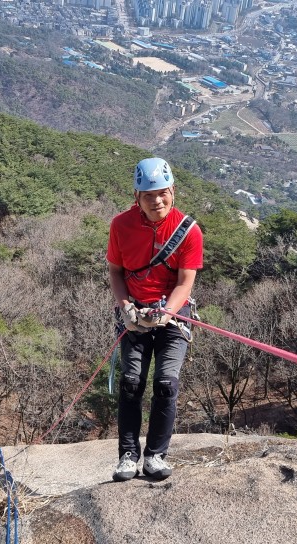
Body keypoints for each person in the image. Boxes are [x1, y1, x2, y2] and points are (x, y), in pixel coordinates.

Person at [106, 157, 203, 482]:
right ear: (137, 197)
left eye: (163, 192)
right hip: (133, 311)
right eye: (149, 195)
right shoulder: (121, 226)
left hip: (172, 315)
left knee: (165, 384)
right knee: (131, 384)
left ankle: (156, 455)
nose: (157, 200)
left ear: (173, 190)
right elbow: (116, 272)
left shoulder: (188, 230)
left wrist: (167, 312)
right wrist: (125, 308)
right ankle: (128, 456)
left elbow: (184, 282)